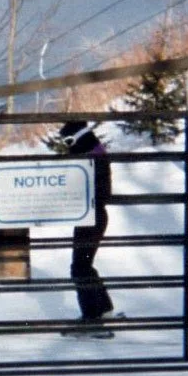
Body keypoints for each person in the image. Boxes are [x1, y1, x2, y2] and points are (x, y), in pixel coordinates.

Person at [58, 120, 117, 333]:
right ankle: (104, 309)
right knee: (84, 266)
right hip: (91, 216)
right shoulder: (94, 154)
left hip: (91, 217)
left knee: (80, 268)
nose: (67, 146)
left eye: (69, 141)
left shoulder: (92, 158)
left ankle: (92, 317)